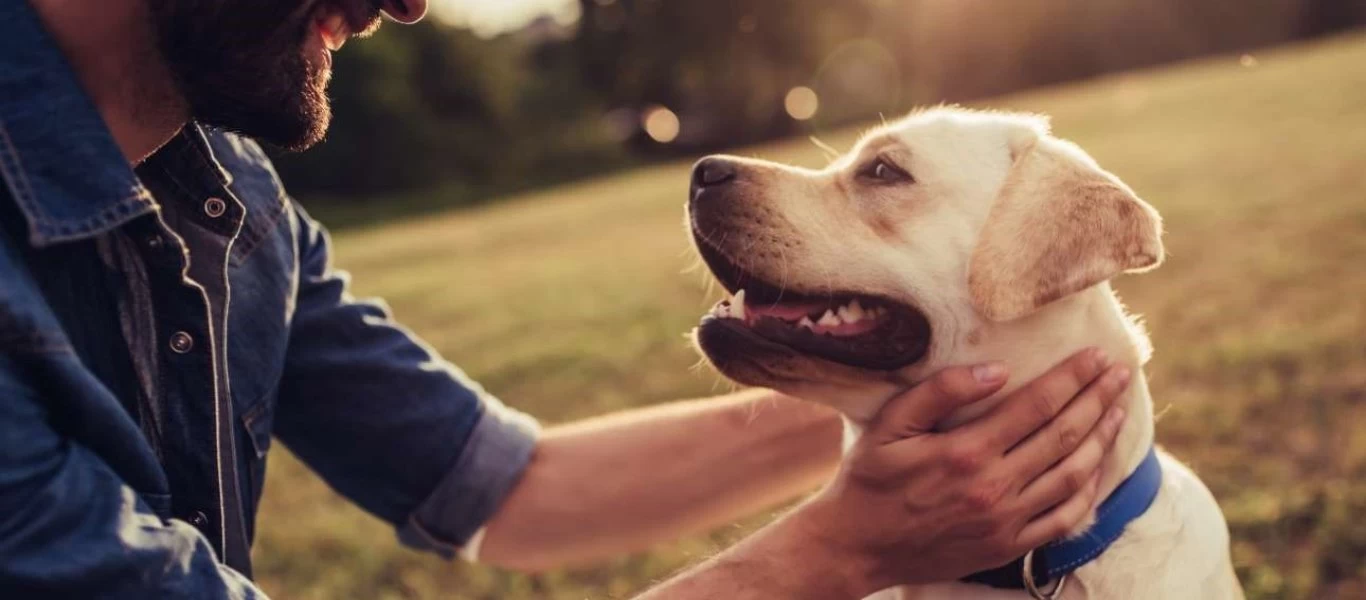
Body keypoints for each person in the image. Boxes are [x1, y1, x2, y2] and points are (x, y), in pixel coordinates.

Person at [0, 0, 1131, 598]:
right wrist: (833, 554)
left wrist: (936, 392)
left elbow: (514, 489)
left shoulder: (228, 199)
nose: (407, 1)